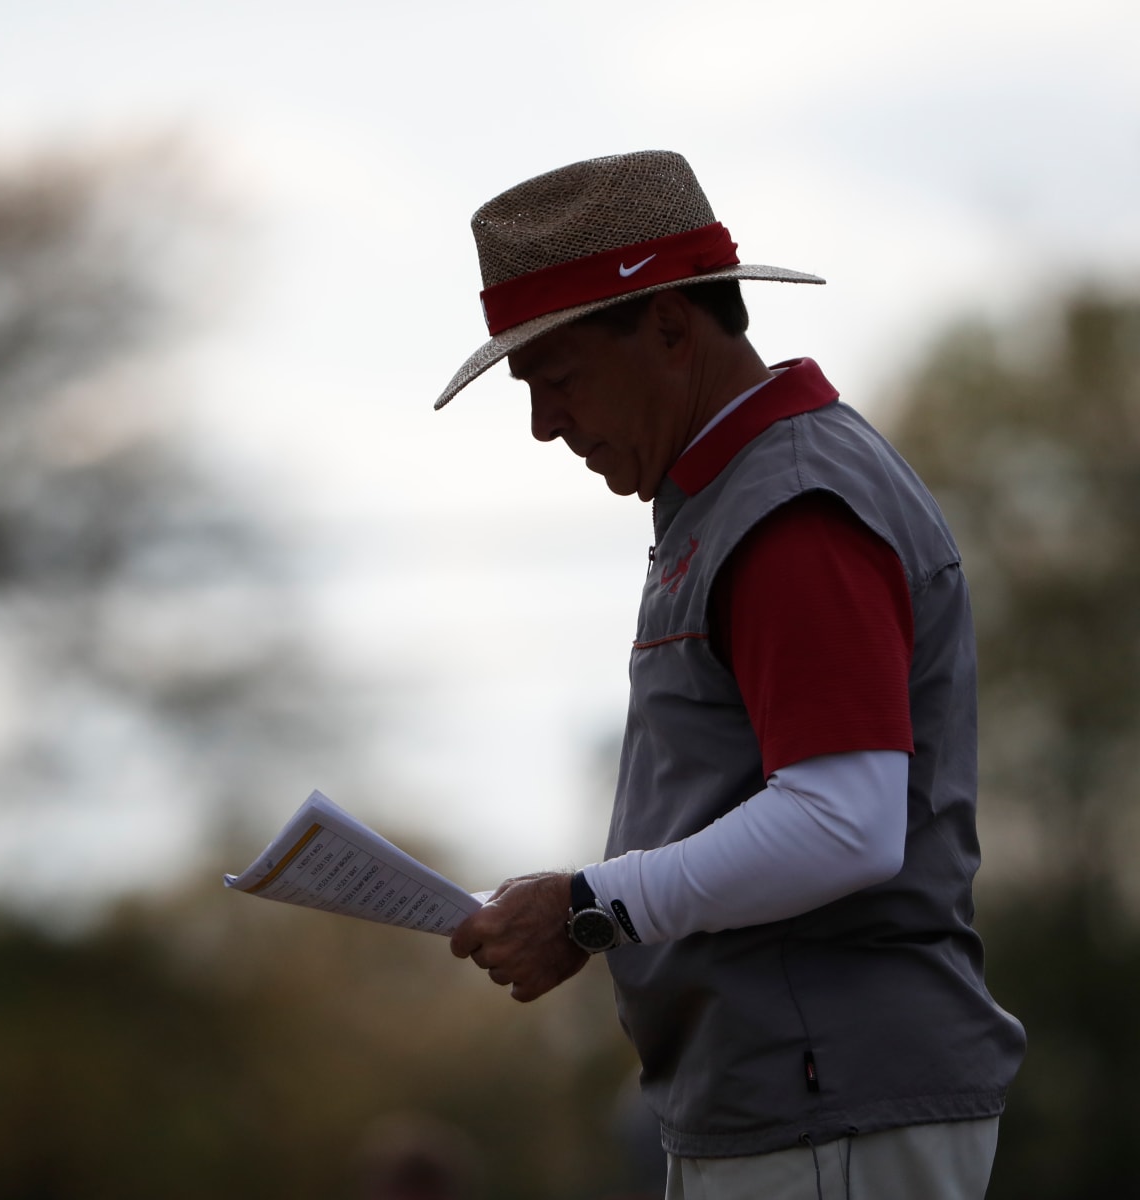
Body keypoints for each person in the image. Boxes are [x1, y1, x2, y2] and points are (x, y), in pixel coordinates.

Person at [437, 150, 1025, 1200]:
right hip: (800, 1099)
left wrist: (585, 906)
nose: (542, 423)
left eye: (557, 378)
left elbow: (843, 820)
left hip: (826, 1102)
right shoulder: (740, 498)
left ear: (669, 326)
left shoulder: (788, 507)